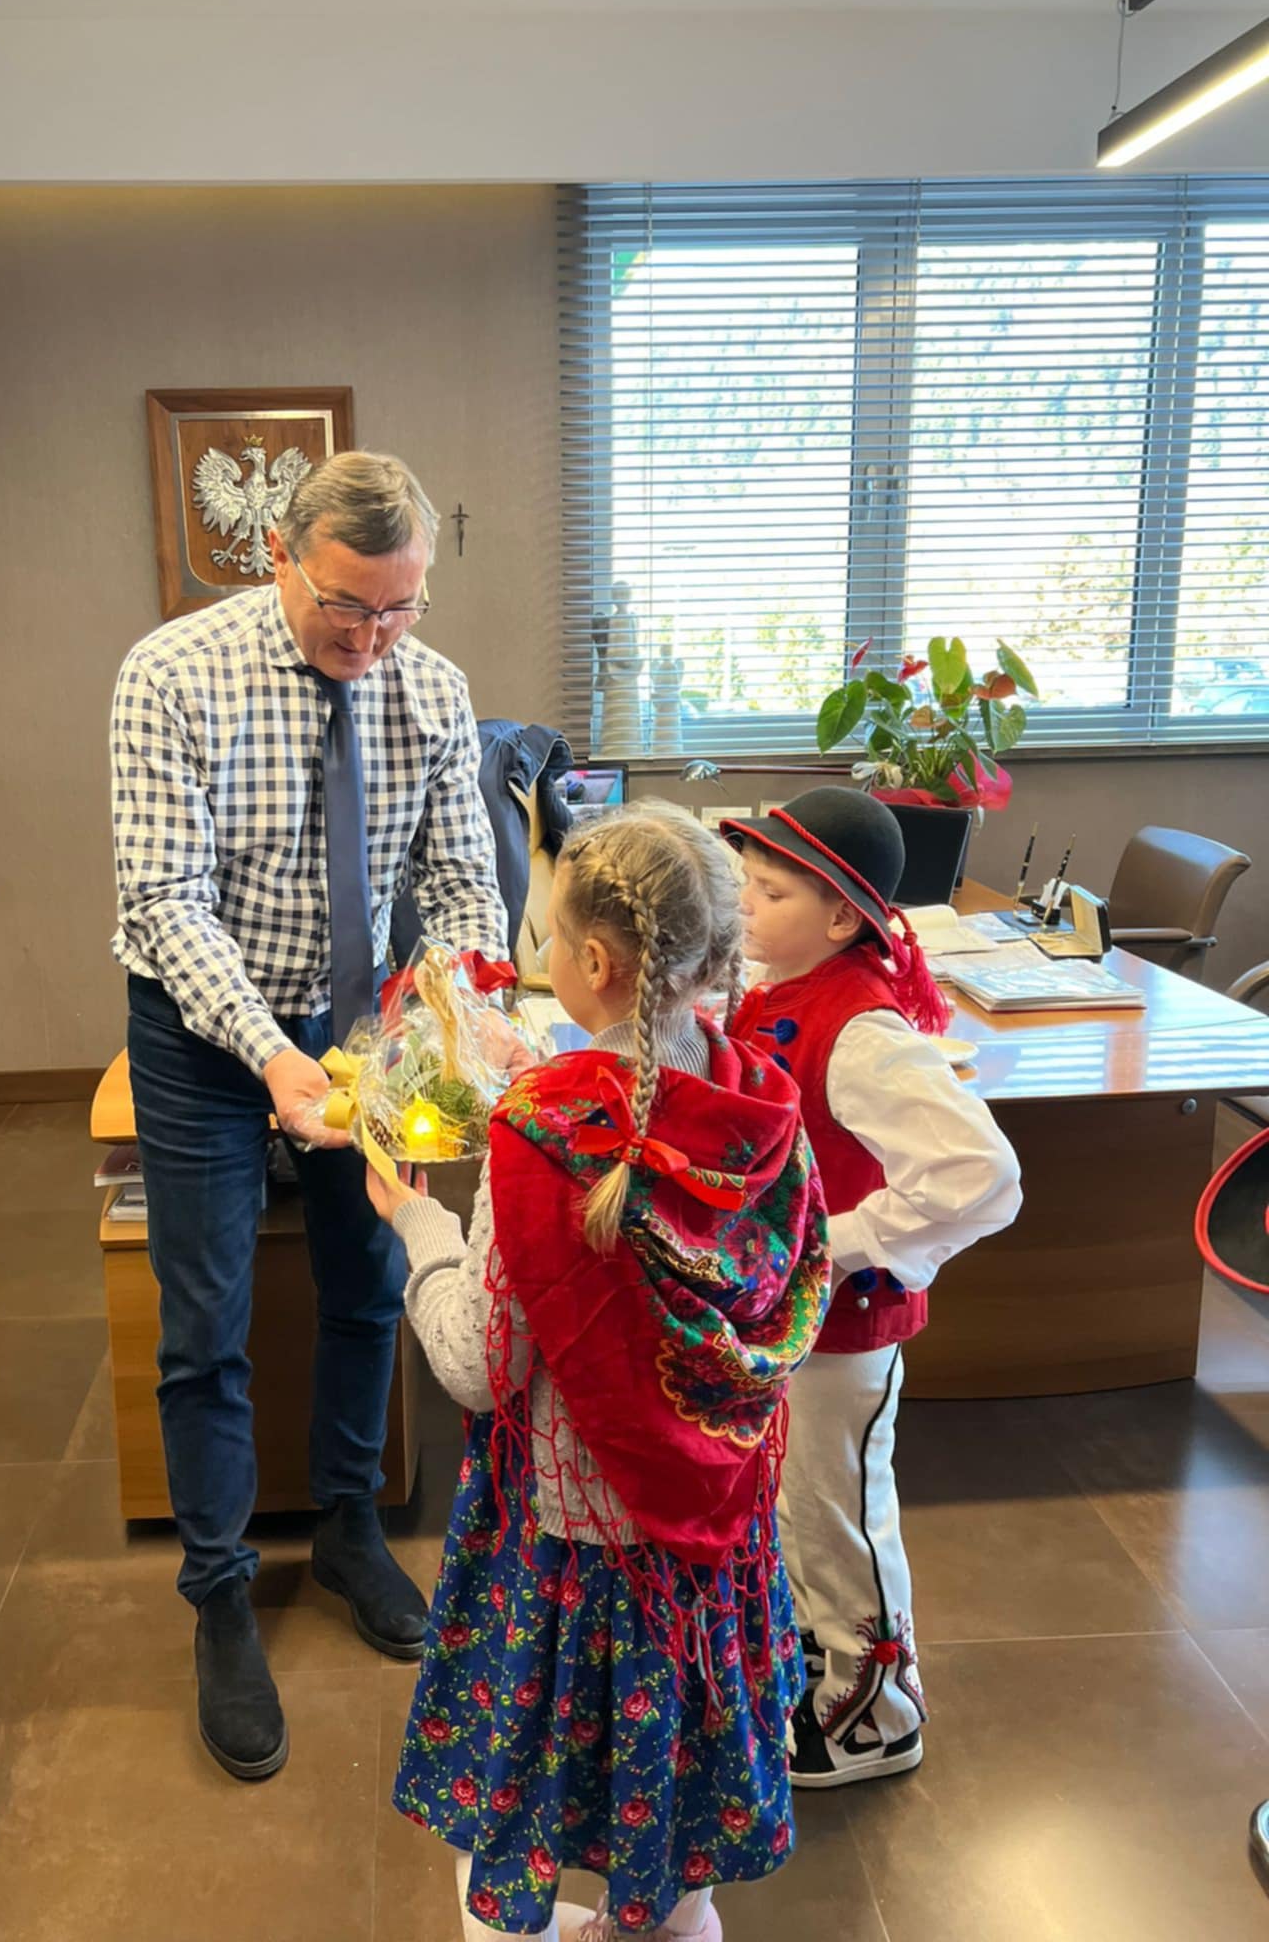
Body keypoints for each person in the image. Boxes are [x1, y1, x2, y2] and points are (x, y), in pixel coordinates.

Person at [111, 451, 510, 1783]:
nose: (373, 636)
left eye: (401, 607)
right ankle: (220, 1591)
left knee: (367, 1287)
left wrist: (448, 1021)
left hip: (366, 1023)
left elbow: (461, 886)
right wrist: (273, 1057)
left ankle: (347, 1527)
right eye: (347, 604)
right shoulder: (172, 673)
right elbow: (164, 901)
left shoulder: (432, 689)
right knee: (205, 1318)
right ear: (278, 554)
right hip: (202, 1032)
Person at [368, 805, 831, 1942]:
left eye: (546, 940)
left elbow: (477, 1365)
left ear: (591, 960)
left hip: (571, 1545)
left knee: (518, 1799)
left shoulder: (542, 1135)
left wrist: (420, 1232)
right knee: (674, 1799)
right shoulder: (759, 1102)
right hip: (713, 1534)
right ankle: (663, 1923)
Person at [723, 788, 1022, 1789]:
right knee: (798, 1511)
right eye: (748, 884)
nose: (747, 904)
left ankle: (876, 1718)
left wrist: (833, 1244)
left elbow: (980, 1174)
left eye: (772, 892)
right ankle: (818, 1667)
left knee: (839, 1515)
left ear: (842, 917)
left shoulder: (860, 1028)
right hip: (785, 1317)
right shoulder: (781, 989)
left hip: (840, 1330)